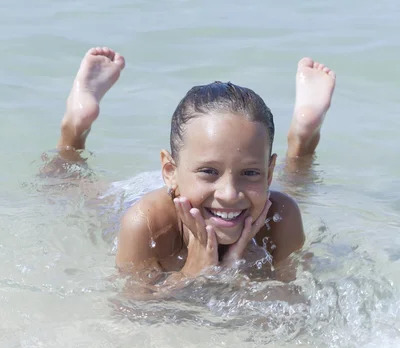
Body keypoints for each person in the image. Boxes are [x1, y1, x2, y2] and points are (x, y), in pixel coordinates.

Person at [56, 46, 336, 287]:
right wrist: (193, 272)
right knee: (71, 185)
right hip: (136, 199)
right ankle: (75, 127)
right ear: (169, 172)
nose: (229, 193)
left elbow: (294, 301)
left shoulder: (282, 216)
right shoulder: (146, 224)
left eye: (251, 172)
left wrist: (241, 271)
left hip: (200, 194)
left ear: (268, 174)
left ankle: (302, 135)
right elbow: (130, 312)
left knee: (295, 188)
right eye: (209, 171)